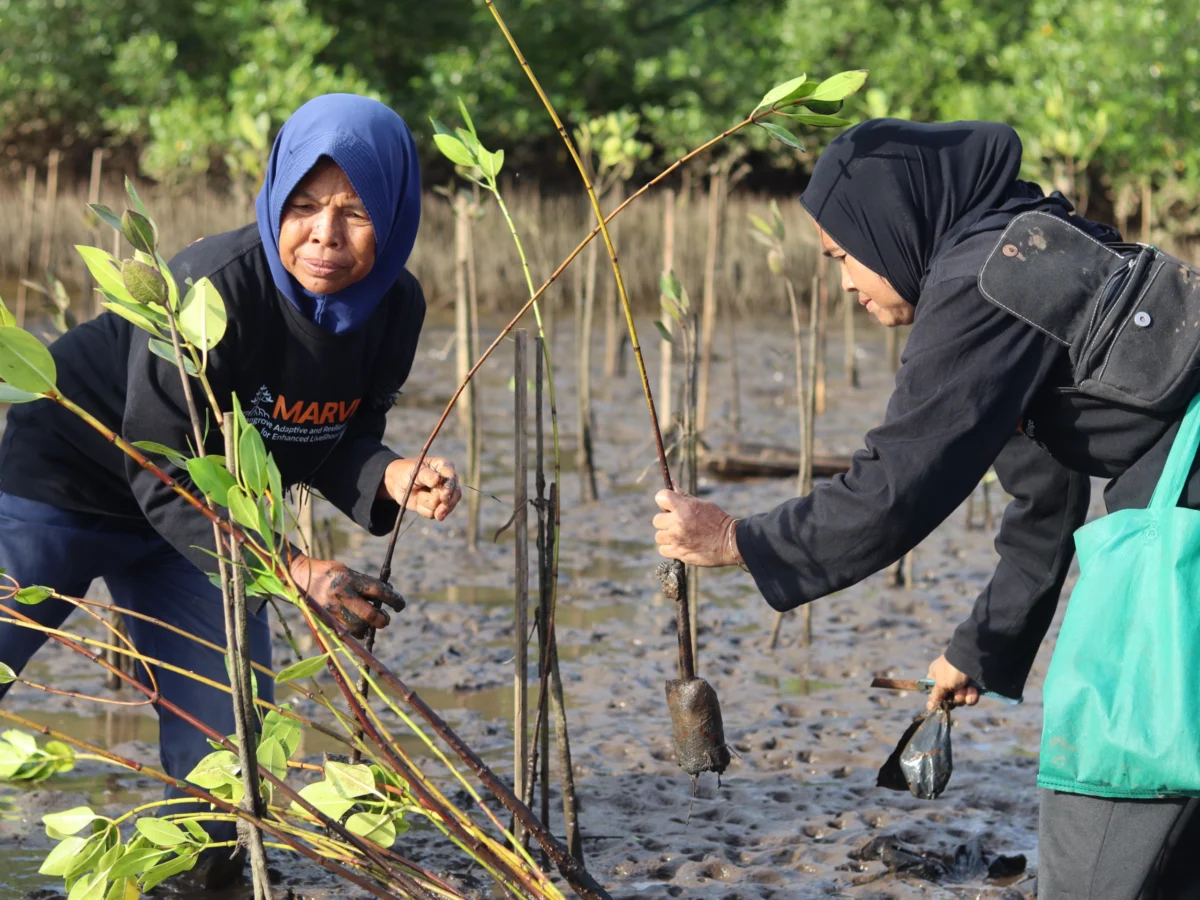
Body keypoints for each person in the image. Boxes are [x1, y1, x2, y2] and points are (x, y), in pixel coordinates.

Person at [651, 118, 1199, 899]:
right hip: (1180, 490)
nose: (843, 282)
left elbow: (894, 490)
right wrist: (984, 646)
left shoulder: (985, 277)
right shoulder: (1027, 245)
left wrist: (739, 539)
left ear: (890, 222)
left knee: (1116, 783)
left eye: (842, 255)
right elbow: (1044, 493)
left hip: (1185, 508)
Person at [0, 94, 461, 887]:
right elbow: (163, 466)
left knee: (228, 764)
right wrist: (294, 570)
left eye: (355, 211)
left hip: (210, 522)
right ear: (276, 199)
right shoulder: (210, 286)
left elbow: (330, 431)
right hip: (67, 482)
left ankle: (204, 875)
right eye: (306, 206)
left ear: (395, 211)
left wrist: (388, 472)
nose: (325, 234)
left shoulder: (396, 307)